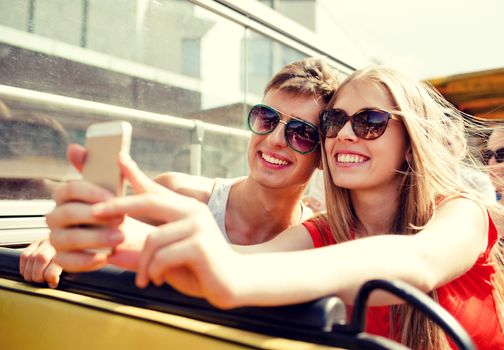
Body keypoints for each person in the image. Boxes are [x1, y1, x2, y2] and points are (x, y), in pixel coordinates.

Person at [47, 65, 504, 349]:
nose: (344, 133)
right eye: (334, 120)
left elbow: (417, 263)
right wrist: (109, 237)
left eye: (370, 122)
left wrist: (233, 277)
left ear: (409, 144)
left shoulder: (463, 212)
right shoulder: (320, 233)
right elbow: (237, 261)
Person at [20, 57, 339, 286]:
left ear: (322, 157)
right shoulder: (175, 193)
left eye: (301, 132)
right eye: (266, 118)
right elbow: (101, 234)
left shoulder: (317, 237)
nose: (274, 139)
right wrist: (59, 242)